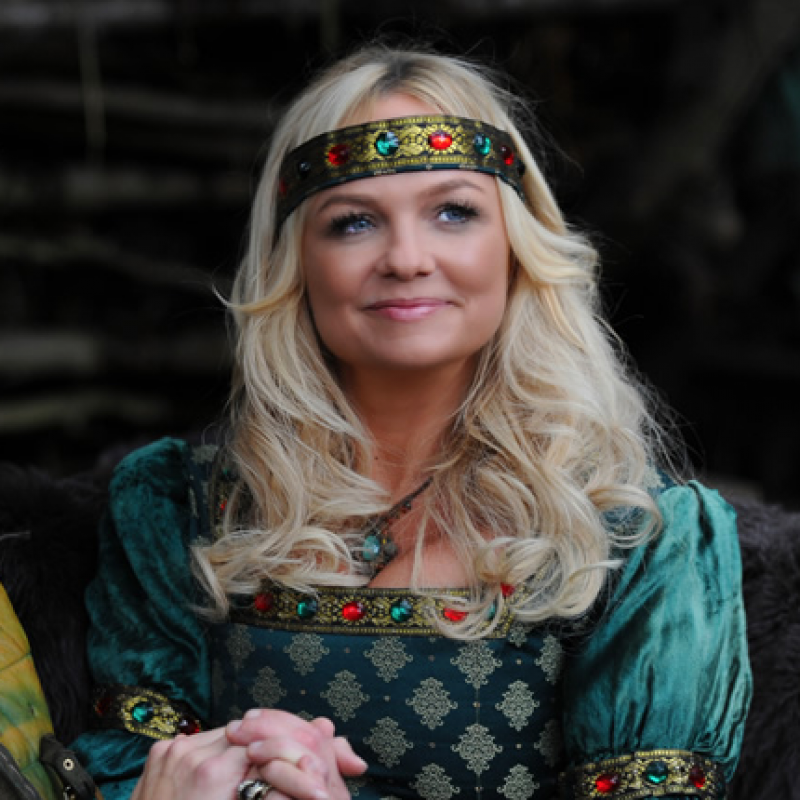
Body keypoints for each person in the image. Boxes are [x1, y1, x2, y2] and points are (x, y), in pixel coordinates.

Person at [71, 43, 751, 800]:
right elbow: (131, 769)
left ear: (516, 247)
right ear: (295, 262)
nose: (405, 258)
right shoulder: (179, 510)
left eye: (453, 212)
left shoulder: (637, 541)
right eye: (353, 223)